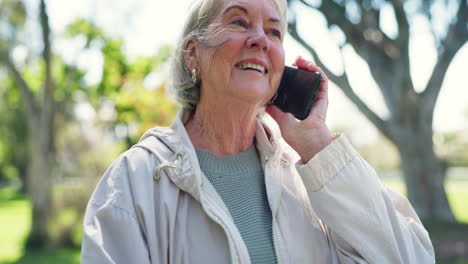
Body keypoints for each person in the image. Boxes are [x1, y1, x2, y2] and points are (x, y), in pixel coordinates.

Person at [81, 0, 435, 263]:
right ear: (193, 53)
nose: (260, 40)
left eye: (274, 31)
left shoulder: (311, 174)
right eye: (239, 21)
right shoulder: (134, 182)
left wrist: (317, 144)